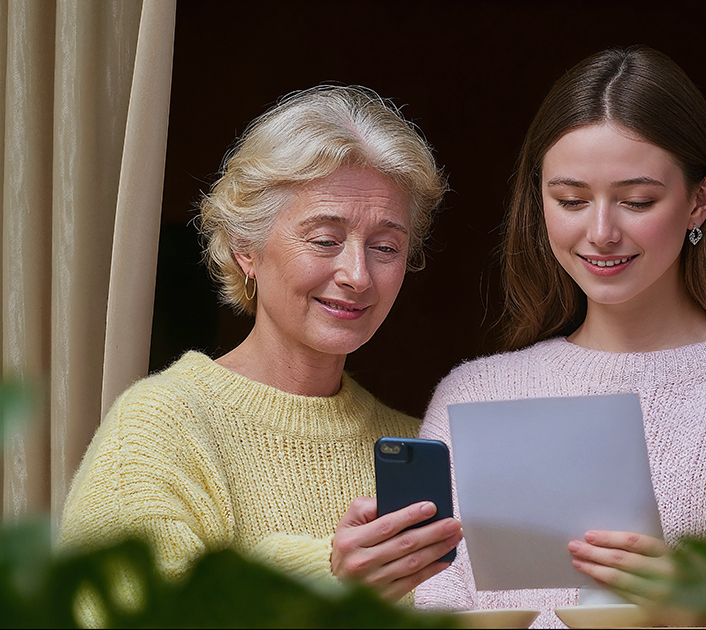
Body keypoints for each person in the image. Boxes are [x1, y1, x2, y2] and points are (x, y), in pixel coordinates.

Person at [415, 45, 706, 628]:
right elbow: (433, 606)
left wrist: (696, 610)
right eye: (570, 200)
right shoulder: (473, 396)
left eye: (637, 201)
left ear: (700, 200)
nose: (601, 232)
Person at [58, 85, 463, 608]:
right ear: (244, 247)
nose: (358, 275)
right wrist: (325, 577)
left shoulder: (420, 445)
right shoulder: (159, 427)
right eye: (325, 240)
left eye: (385, 247)